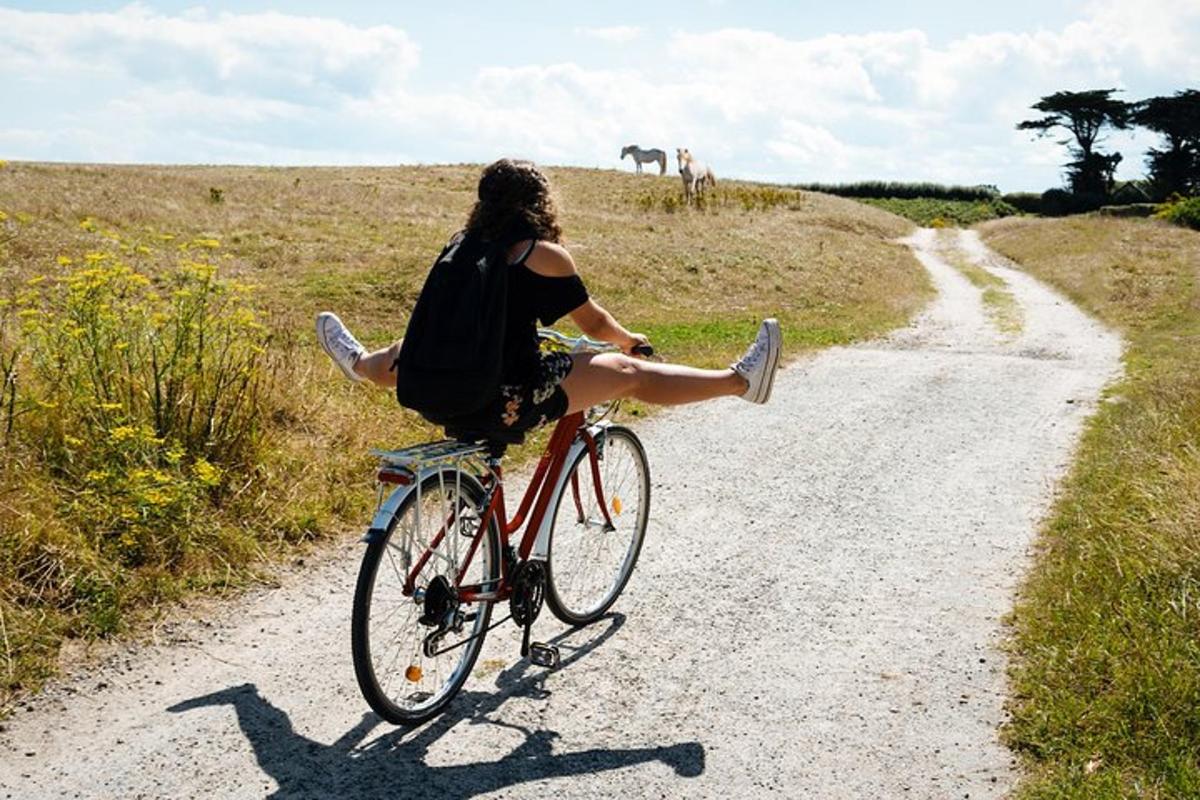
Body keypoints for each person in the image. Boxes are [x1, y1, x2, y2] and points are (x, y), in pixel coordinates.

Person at [316, 158, 781, 437]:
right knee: (630, 373)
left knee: (407, 349)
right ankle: (739, 382)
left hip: (427, 391)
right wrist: (626, 339)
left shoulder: (461, 245)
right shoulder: (539, 255)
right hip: (500, 400)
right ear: (540, 203)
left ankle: (358, 364)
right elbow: (594, 326)